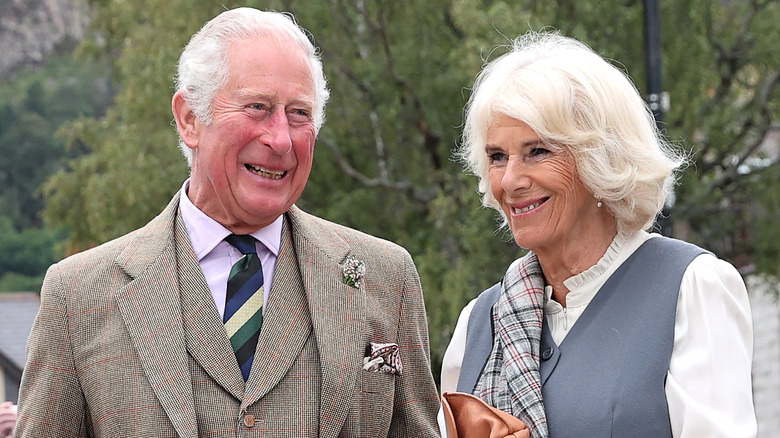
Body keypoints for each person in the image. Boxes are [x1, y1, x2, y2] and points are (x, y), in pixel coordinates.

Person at [15, 8, 440, 437]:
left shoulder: (386, 277)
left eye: (299, 114)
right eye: (257, 107)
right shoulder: (78, 296)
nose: (280, 138)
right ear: (189, 119)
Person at [440, 31, 756, 438]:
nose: (511, 180)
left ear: (600, 160)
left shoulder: (690, 288)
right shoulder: (479, 325)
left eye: (538, 151)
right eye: (497, 157)